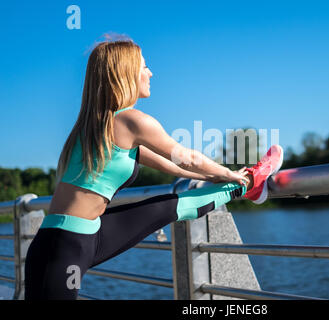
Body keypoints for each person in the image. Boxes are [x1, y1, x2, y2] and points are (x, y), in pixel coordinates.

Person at [24, 38, 284, 300]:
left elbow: (177, 167)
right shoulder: (129, 121)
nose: (150, 73)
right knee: (164, 207)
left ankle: (250, 183)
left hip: (88, 235)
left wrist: (229, 176)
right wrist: (229, 173)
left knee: (165, 207)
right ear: (125, 73)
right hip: (61, 248)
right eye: (145, 67)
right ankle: (248, 182)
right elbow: (187, 159)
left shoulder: (100, 128)